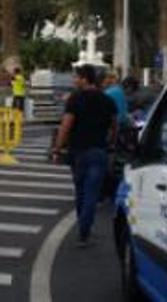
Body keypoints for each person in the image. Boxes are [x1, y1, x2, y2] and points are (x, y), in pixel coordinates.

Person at [50, 65, 117, 248]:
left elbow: (66, 125)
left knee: (80, 191)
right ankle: (84, 230)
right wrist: (110, 143)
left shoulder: (75, 99)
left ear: (85, 79)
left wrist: (57, 148)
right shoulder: (107, 100)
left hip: (78, 152)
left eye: (76, 77)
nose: (73, 80)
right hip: (99, 151)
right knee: (92, 193)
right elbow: (114, 127)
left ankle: (83, 228)